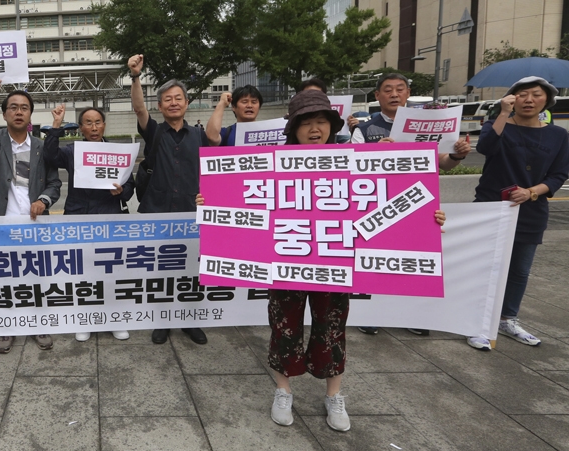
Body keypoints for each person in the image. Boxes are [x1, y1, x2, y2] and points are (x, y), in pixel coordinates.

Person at [244, 90, 446, 432]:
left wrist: (428, 218)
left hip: (334, 264)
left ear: (332, 125)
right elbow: (242, 200)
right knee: (284, 326)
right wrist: (211, 201)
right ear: (293, 129)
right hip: (286, 262)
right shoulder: (271, 162)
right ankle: (283, 390)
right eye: (305, 123)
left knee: (332, 327)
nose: (313, 129)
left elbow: (395, 201)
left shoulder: (354, 159)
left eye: (321, 121)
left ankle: (334, 395)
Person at [352, 73, 471, 335]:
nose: (394, 94)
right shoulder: (363, 130)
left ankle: (410, 315)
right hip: (378, 206)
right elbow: (352, 169)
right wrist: (375, 153)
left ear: (407, 93)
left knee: (412, 261)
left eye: (399, 89)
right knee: (376, 261)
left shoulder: (429, 125)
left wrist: (457, 155)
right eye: (387, 90)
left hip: (417, 204)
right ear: (377, 96)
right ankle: (371, 315)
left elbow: (444, 163)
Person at [467, 76, 569, 350]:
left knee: (519, 271)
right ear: (511, 98)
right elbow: (485, 147)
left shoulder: (558, 135)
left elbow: (560, 174)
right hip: (491, 208)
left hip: (531, 210)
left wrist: (532, 191)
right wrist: (502, 113)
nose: (529, 100)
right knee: (486, 267)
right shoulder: (498, 125)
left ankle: (507, 319)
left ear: (547, 100)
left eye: (536, 94)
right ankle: (477, 321)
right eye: (522, 94)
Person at [0, 77, 61, 354]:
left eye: (24, 107)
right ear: (5, 114)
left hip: (35, 226)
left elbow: (54, 183)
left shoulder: (40, 146)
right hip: (1, 224)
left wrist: (44, 200)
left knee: (36, 277)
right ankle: (7, 326)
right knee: (5, 277)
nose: (19, 111)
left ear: (31, 114)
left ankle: (37, 324)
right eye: (13, 107)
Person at [128, 54, 210, 346]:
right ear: (160, 106)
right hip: (157, 211)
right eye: (167, 99)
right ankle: (162, 320)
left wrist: (208, 197)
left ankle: (190, 321)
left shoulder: (199, 135)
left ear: (187, 103)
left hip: (191, 212)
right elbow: (138, 107)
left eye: (178, 98)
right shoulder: (154, 132)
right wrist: (136, 76)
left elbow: (215, 172)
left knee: (190, 271)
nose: (173, 103)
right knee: (160, 269)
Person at [45, 103, 135, 342]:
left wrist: (122, 191)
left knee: (111, 270)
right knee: (82, 271)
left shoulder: (118, 151)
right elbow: (49, 156)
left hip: (109, 215)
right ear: (81, 128)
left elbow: (130, 186)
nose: (94, 127)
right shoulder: (72, 151)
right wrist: (56, 125)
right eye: (88, 123)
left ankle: (114, 318)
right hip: (79, 216)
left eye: (97, 122)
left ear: (104, 125)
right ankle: (85, 318)